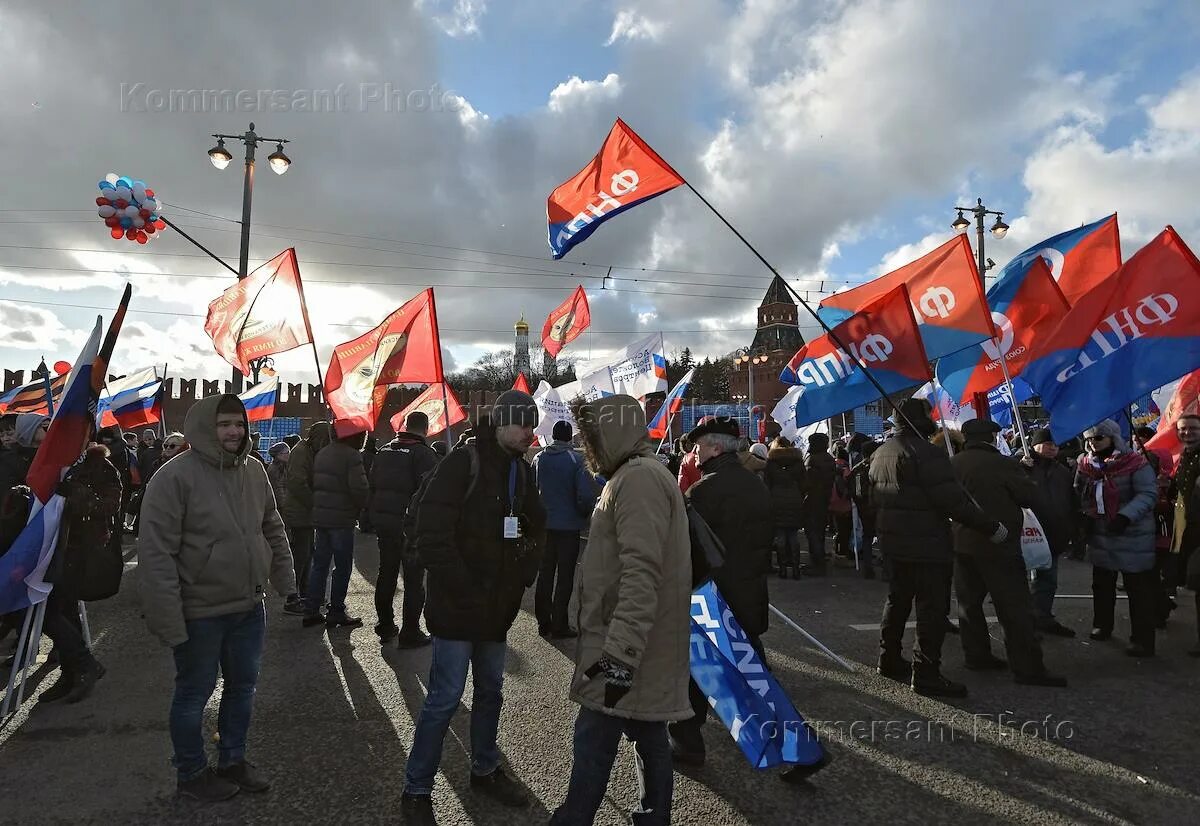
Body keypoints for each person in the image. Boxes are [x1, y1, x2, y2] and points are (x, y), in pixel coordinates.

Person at [138, 394, 295, 802]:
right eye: (225, 424)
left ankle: (232, 760)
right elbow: (156, 554)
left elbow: (272, 527)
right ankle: (191, 774)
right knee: (193, 694)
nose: (234, 431)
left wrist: (286, 582)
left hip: (248, 605)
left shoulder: (255, 471)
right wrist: (168, 619)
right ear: (206, 427)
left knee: (242, 688)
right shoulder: (173, 477)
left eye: (238, 424)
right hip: (199, 611)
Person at [401, 390, 546, 822]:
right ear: (500, 423)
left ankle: (484, 768)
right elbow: (431, 532)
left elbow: (537, 524)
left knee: (491, 693)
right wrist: (463, 587)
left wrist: (524, 574)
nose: (529, 433)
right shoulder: (462, 463)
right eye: (522, 423)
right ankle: (417, 788)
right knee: (444, 699)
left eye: (532, 424)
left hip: (497, 609)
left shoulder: (521, 471)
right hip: (458, 608)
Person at [551, 394, 691, 826]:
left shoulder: (638, 480)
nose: (587, 447)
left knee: (595, 736)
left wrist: (621, 653)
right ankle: (653, 818)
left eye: (593, 436)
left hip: (623, 643)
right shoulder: (637, 475)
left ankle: (575, 819)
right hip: (633, 640)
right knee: (646, 730)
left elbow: (641, 572)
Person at [870, 399, 1005, 698]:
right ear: (923, 420)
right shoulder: (927, 453)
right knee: (931, 609)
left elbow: (872, 498)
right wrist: (991, 527)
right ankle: (926, 672)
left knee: (897, 601)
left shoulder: (881, 452)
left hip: (893, 542)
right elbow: (952, 501)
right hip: (927, 543)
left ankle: (888, 658)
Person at [670, 416, 773, 766]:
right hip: (750, 590)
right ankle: (785, 740)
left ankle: (687, 740)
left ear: (715, 447)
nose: (695, 454)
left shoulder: (701, 492)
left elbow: (686, 550)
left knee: (697, 670)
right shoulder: (757, 485)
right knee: (752, 672)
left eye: (698, 447)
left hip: (711, 598)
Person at [951, 420, 1066, 686]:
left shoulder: (953, 463)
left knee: (969, 604)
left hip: (963, 542)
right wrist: (1026, 475)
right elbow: (1028, 497)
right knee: (1014, 606)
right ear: (991, 437)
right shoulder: (1002, 464)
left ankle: (976, 655)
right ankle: (1027, 667)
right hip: (998, 542)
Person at [38, 435, 123, 703]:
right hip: (48, 547)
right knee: (57, 609)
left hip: (80, 548)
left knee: (59, 607)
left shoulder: (100, 466)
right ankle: (73, 670)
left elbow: (110, 505)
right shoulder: (46, 462)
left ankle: (79, 668)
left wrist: (75, 492)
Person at [1077, 419, 1159, 657]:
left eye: (1098, 438)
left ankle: (1142, 639)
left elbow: (1148, 494)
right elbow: (1080, 493)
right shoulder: (1085, 464)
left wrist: (1125, 516)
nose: (1093, 444)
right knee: (1102, 584)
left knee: (1137, 589)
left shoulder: (1135, 462)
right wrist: (1084, 515)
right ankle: (1102, 624)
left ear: (1113, 438)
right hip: (1101, 533)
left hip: (1132, 533)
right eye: (1089, 439)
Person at [369, 411, 438, 647]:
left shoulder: (384, 451)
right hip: (410, 526)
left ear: (405, 426)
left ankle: (385, 625)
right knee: (413, 580)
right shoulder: (424, 454)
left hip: (384, 523)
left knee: (386, 573)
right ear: (426, 428)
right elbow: (430, 494)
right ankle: (410, 632)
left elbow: (373, 483)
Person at [531, 420, 597, 639]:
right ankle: (559, 624)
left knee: (544, 574)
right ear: (570, 437)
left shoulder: (539, 458)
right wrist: (583, 514)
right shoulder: (576, 460)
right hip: (568, 527)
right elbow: (585, 495)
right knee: (565, 576)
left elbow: (531, 490)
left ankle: (543, 623)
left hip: (544, 526)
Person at [303, 421, 370, 629]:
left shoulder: (323, 453)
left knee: (320, 565)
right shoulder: (351, 456)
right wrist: (364, 508)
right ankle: (336, 611)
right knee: (342, 567)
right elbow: (359, 489)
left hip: (322, 517)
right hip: (341, 519)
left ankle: (311, 610)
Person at [1023, 429, 1079, 637]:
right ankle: (1025, 622)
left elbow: (1071, 501)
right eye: (1047, 443)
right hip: (1027, 534)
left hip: (1053, 533)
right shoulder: (1021, 466)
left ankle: (1042, 617)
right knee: (1022, 581)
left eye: (1055, 444)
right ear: (1035, 445)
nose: (1052, 448)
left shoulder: (1062, 471)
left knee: (1048, 580)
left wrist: (1072, 527)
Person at [282, 421, 332, 615]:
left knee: (307, 554)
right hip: (299, 512)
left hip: (306, 513)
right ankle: (292, 598)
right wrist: (315, 503)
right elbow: (297, 483)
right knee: (300, 556)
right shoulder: (301, 451)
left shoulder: (309, 450)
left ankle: (304, 594)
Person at [1169, 414, 1200, 656]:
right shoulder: (1185, 457)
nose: (1187, 432)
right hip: (1188, 528)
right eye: (1183, 429)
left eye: (1193, 428)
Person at [764, 436, 806, 579]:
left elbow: (767, 483)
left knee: (780, 535)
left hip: (776, 500)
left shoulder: (770, 462)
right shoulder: (798, 461)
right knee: (793, 535)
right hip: (795, 500)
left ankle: (782, 569)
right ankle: (795, 568)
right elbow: (804, 483)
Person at [803, 432, 836, 575]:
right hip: (824, 499)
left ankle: (817, 565)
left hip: (813, 500)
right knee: (820, 533)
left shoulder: (813, 460)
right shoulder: (828, 458)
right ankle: (819, 560)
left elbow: (807, 483)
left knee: (813, 533)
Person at [850, 442, 879, 579]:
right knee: (883, 537)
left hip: (864, 508)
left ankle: (868, 567)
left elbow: (855, 491)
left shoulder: (857, 469)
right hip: (878, 506)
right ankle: (887, 569)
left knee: (867, 537)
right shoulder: (878, 466)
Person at [359, 434, 378, 534]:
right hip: (370, 482)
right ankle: (368, 525)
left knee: (364, 506)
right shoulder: (374, 456)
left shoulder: (361, 454)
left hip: (363, 481)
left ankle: (363, 525)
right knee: (369, 505)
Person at [266, 442, 290, 513]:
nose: (289, 454)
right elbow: (278, 488)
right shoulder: (277, 469)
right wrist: (285, 505)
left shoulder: (283, 466)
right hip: (280, 507)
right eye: (287, 452)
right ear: (279, 455)